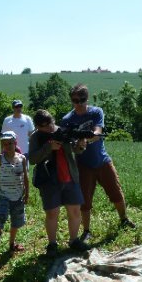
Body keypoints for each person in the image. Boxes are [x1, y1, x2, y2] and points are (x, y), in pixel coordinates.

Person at [62, 83, 135, 241]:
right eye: (75, 100)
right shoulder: (67, 119)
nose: (79, 103)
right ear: (71, 100)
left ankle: (124, 219)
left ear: (87, 99)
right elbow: (67, 145)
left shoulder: (96, 112)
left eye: (82, 99)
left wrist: (86, 139)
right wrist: (77, 145)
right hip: (83, 165)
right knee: (85, 200)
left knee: (116, 191)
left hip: (102, 161)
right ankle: (87, 231)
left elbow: (97, 132)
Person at [28, 109, 90, 257]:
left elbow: (76, 150)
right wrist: (49, 147)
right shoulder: (36, 137)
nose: (49, 127)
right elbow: (32, 159)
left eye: (50, 123)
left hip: (69, 176)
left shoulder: (64, 131)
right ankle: (52, 244)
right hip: (49, 180)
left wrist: (81, 145)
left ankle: (74, 240)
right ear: (37, 127)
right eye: (44, 125)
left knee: (75, 211)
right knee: (52, 213)